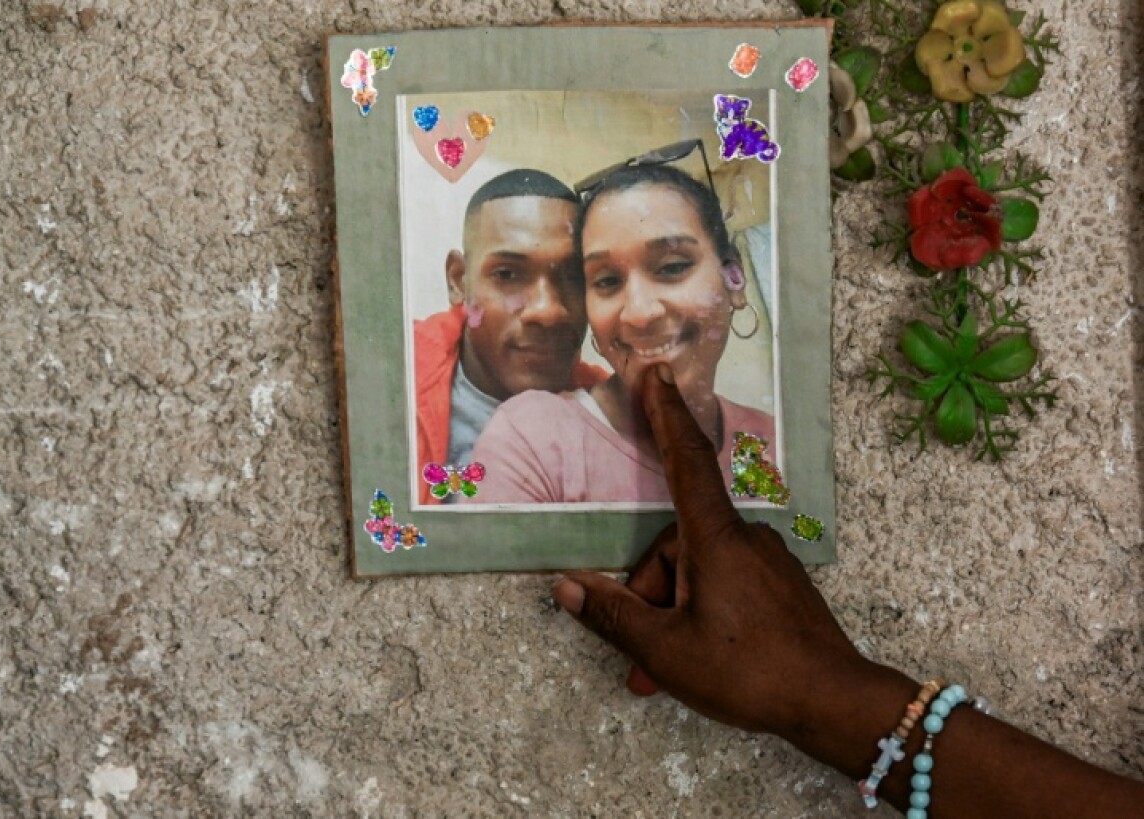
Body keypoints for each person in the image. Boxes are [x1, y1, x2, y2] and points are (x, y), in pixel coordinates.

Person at [551, 363, 1144, 818]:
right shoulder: (540, 428)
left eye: (674, 266)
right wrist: (824, 695)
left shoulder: (759, 426)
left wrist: (819, 695)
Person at [467, 163, 773, 503]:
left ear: (734, 277)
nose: (640, 314)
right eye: (607, 281)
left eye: (672, 267)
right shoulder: (532, 441)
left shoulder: (773, 442)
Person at [413, 169, 607, 505]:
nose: (548, 311)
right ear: (458, 281)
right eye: (507, 274)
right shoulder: (393, 381)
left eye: (573, 276)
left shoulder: (611, 414)